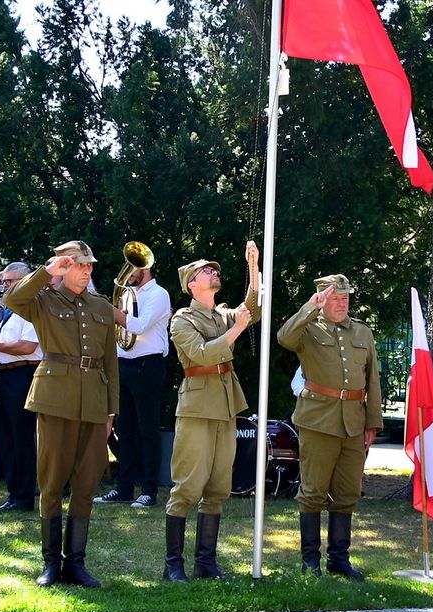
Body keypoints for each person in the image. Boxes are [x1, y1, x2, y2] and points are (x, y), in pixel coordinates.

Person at [4, 241, 118, 588]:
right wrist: (47, 271)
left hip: (94, 402)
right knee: (52, 482)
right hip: (55, 398)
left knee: (86, 484)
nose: (86, 270)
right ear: (64, 267)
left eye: (88, 265)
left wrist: (112, 408)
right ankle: (52, 562)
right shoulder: (44, 300)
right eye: (78, 264)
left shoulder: (101, 306)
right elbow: (13, 300)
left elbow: (110, 361)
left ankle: (77, 564)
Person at [162, 241, 259, 583]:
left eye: (214, 270)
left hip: (225, 405)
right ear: (191, 283)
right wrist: (236, 330)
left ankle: (206, 562)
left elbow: (253, 308)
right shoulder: (181, 319)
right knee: (188, 486)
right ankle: (173, 564)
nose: (214, 272)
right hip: (198, 407)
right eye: (206, 270)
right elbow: (201, 354)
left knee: (218, 487)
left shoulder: (222, 313)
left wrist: (253, 267)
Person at [277, 274, 382, 580]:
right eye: (335, 298)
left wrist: (372, 422)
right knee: (313, 491)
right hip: (318, 420)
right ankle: (310, 561)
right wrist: (309, 308)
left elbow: (372, 379)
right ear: (322, 299)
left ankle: (340, 559)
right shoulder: (308, 328)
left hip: (354, 421)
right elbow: (284, 338)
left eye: (345, 298)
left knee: (347, 492)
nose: (342, 304)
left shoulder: (362, 331)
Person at [96, 262, 172, 509]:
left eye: (133, 270)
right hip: (125, 364)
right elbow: (121, 331)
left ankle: (149, 490)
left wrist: (109, 309)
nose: (128, 275)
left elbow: (138, 326)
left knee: (147, 429)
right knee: (124, 428)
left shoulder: (159, 294)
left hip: (148, 366)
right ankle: (124, 488)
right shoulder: (129, 295)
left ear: (146, 269)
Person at [0, 262, 42, 513]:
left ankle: (24, 496)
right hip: (5, 374)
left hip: (23, 373)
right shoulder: (8, 311)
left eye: (9, 282)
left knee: (21, 437)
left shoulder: (31, 308)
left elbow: (27, 346)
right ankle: (14, 493)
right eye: (3, 282)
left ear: (25, 282)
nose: (4, 286)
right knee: (7, 438)